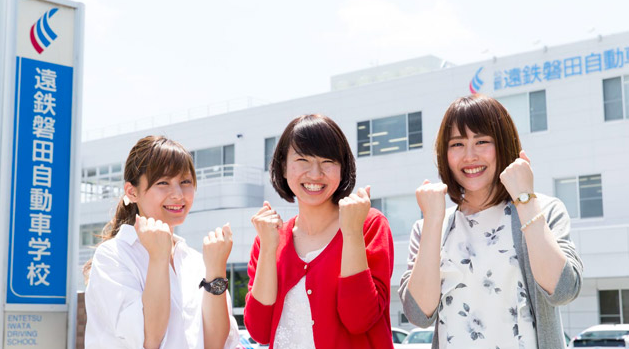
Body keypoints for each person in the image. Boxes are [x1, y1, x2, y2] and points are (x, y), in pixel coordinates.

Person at [399, 95, 583, 349]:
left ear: (503, 145)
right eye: (457, 144)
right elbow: (419, 315)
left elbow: (563, 291)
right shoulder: (431, 226)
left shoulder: (544, 209)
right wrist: (432, 220)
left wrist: (524, 200)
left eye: (482, 141)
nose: (470, 156)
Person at [243, 114, 395, 348]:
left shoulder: (368, 225)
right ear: (283, 167)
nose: (315, 174)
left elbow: (359, 320)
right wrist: (268, 249)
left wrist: (352, 232)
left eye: (327, 161)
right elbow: (259, 331)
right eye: (303, 160)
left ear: (343, 168)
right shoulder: (268, 238)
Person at [84, 136, 239, 349]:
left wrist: (216, 270)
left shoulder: (194, 260)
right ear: (132, 191)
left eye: (185, 182)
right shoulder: (113, 255)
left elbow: (215, 344)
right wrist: (158, 257)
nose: (178, 195)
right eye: (163, 183)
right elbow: (149, 339)